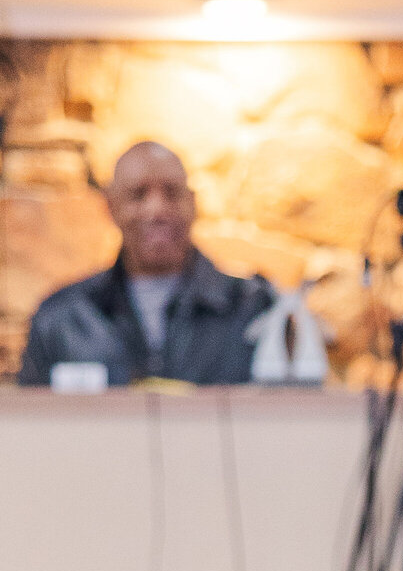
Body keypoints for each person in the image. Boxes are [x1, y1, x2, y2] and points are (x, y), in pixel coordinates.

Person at [18, 141, 274, 387]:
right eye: (138, 195)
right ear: (111, 206)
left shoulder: (252, 309)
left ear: (193, 204)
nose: (156, 210)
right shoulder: (62, 320)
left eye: (172, 193)